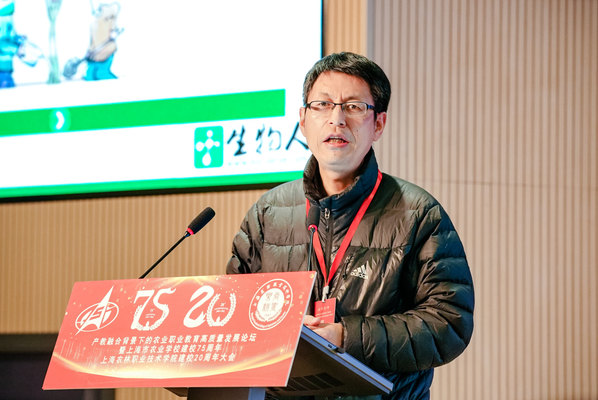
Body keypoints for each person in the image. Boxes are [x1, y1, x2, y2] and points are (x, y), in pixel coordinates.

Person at [226, 52, 474, 399]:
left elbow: (450, 323)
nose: (337, 119)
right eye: (323, 105)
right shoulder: (267, 213)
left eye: (354, 106)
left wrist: (345, 336)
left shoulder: (418, 214)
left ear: (379, 124)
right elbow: (233, 316)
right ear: (303, 120)